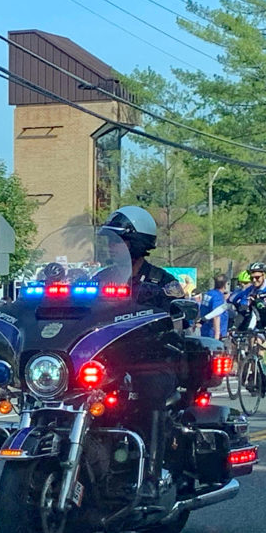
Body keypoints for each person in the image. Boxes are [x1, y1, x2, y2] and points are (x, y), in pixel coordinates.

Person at [93, 206, 185, 489]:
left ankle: (151, 474)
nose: (111, 246)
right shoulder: (100, 279)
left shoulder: (163, 282)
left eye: (118, 240)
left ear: (138, 244)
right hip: (108, 362)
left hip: (150, 362)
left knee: (150, 394)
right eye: (108, 240)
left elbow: (178, 324)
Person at [228, 262, 266, 390]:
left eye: (257, 277)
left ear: (264, 275)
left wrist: (263, 306)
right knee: (254, 346)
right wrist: (235, 327)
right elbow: (244, 313)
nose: (254, 280)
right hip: (261, 323)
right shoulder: (250, 291)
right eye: (252, 278)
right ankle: (261, 377)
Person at [199, 274, 230, 340]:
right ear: (225, 284)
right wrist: (217, 334)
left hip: (205, 330)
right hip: (214, 333)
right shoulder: (218, 296)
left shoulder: (208, 293)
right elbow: (216, 315)